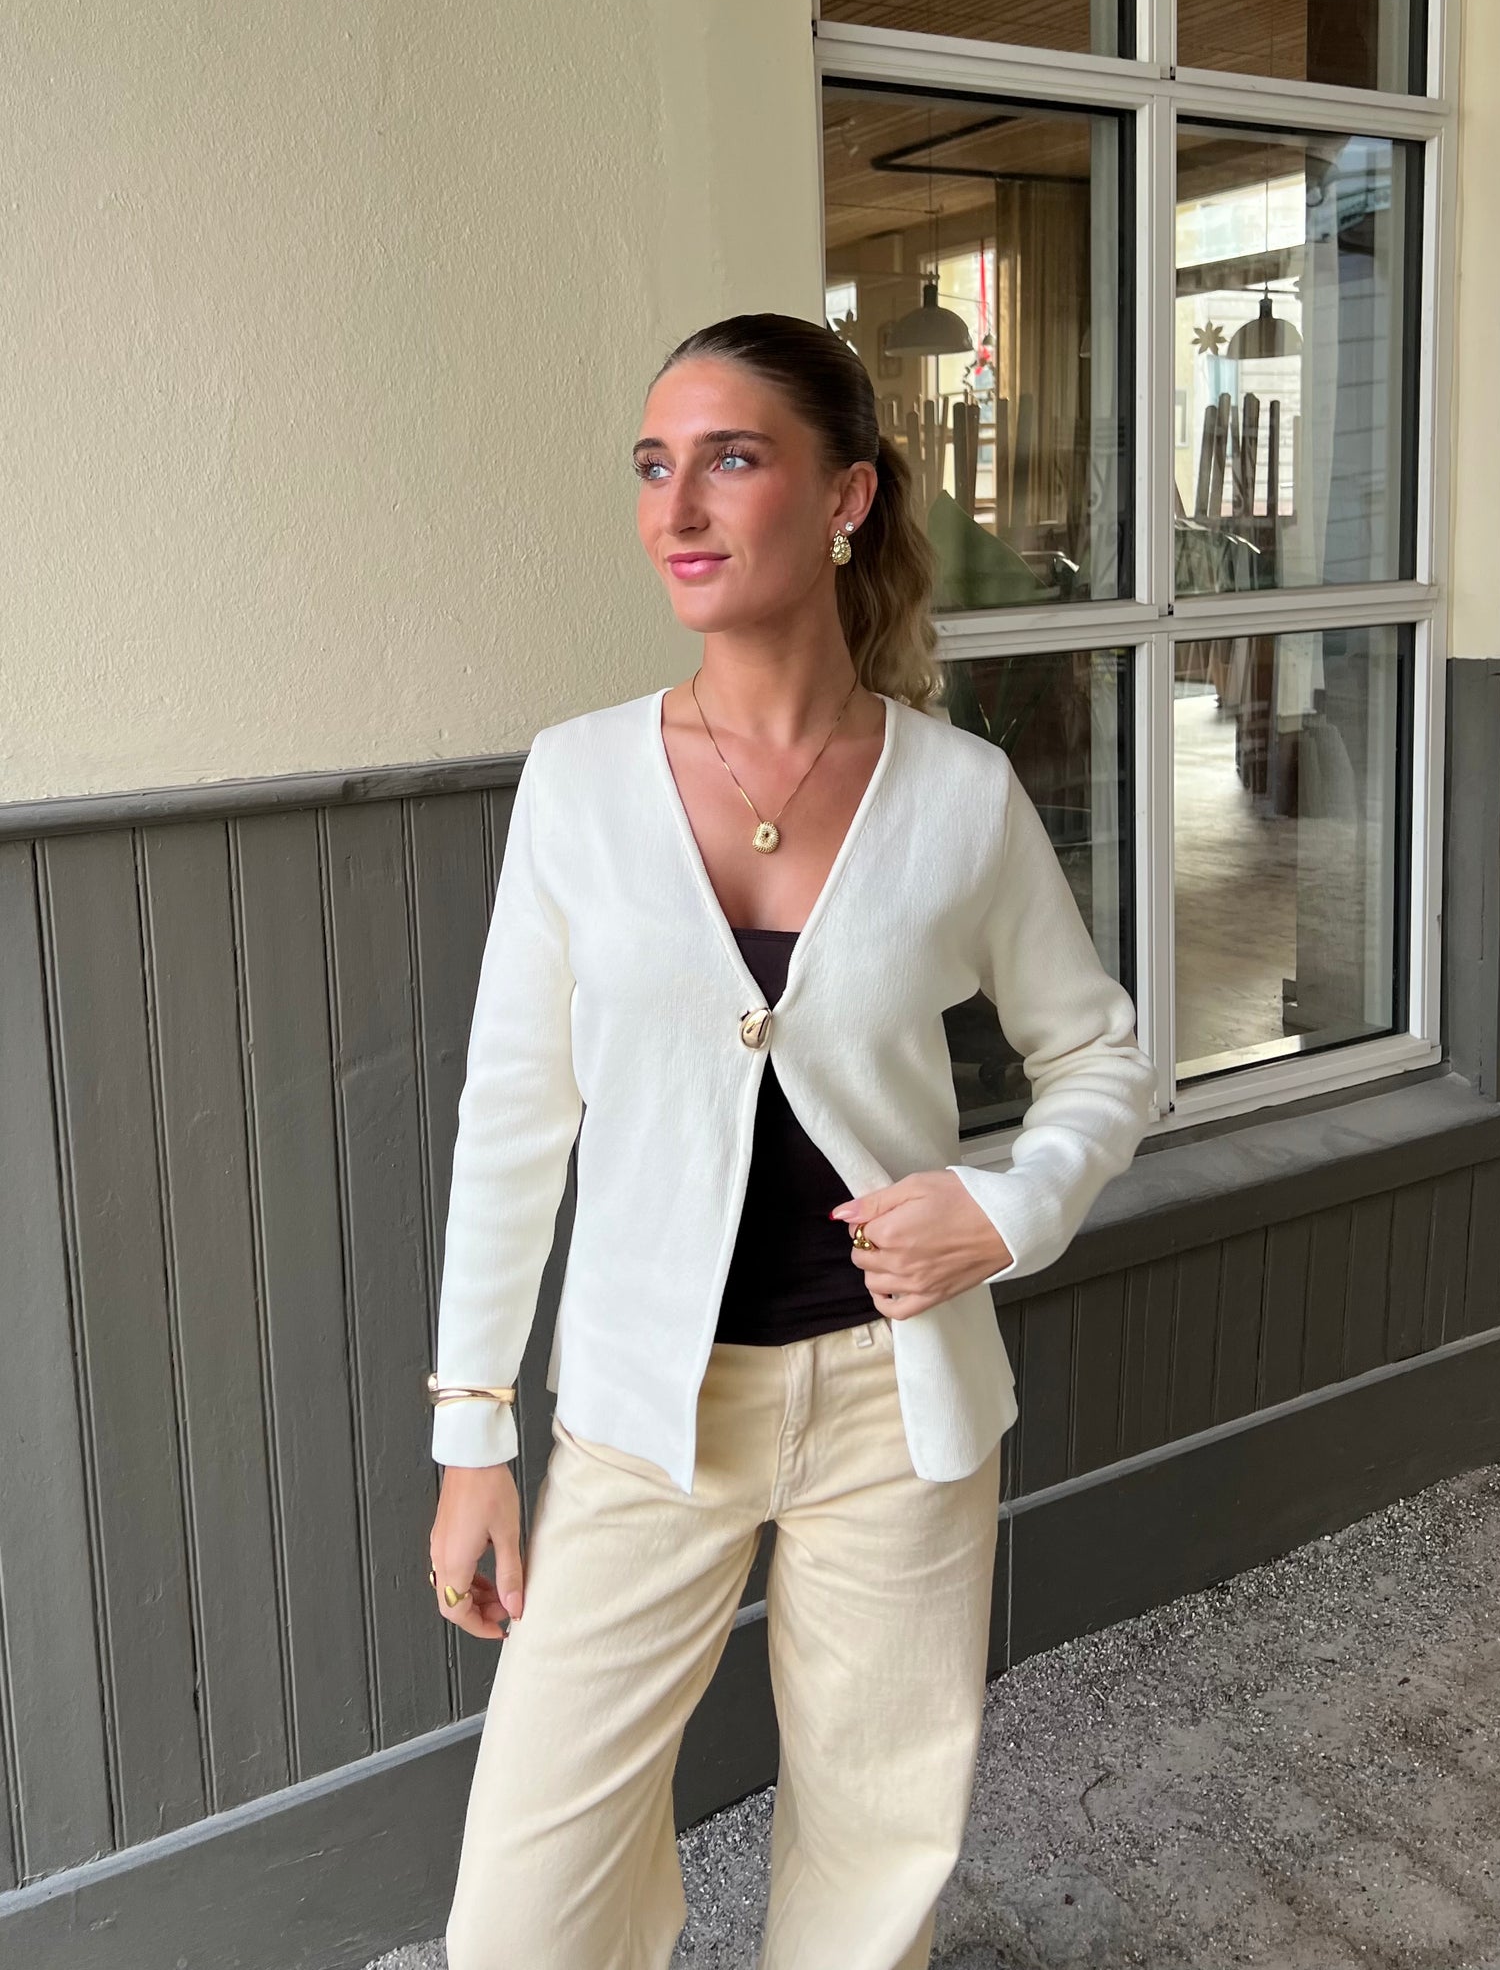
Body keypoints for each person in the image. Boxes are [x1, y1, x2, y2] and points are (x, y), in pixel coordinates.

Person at [427, 312, 1157, 1970]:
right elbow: (512, 1119)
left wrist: (1012, 1205)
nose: (676, 507)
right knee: (525, 1912)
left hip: (897, 1405)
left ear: (845, 497)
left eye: (731, 460)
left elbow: (1100, 1053)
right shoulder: (578, 783)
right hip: (644, 1407)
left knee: (877, 1857)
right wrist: (473, 1432)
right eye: (653, 465)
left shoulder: (958, 795)